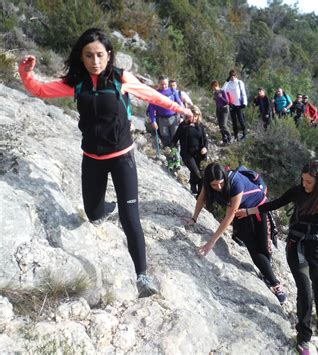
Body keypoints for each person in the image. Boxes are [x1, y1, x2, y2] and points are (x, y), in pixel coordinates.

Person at [18, 28, 193, 298]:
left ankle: (142, 275)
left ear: (109, 55)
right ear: (82, 56)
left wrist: (181, 109)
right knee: (93, 213)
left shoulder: (120, 79)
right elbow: (40, 90)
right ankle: (106, 208)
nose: (95, 61)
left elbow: (152, 96)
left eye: (100, 55)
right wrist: (25, 73)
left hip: (123, 158)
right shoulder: (76, 83)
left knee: (130, 217)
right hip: (92, 159)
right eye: (89, 56)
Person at [236, 160, 318, 354]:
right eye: (303, 180)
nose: (305, 185)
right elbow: (275, 204)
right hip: (296, 246)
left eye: (309, 182)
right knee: (305, 291)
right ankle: (303, 337)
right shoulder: (298, 191)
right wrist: (248, 211)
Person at [190, 163, 287, 304]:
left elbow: (229, 215)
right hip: (241, 215)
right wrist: (194, 218)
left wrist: (211, 243)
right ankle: (275, 284)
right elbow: (201, 199)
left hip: (259, 209)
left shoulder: (235, 182)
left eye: (220, 183)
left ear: (224, 177)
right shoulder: (208, 182)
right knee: (254, 250)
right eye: (214, 185)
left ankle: (266, 272)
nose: (218, 187)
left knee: (265, 248)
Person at [171, 105, 208, 195]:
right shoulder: (183, 126)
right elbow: (175, 139)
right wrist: (171, 149)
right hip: (187, 154)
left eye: (196, 116)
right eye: (193, 115)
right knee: (196, 172)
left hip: (199, 154)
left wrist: (205, 148)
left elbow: (205, 139)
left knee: (201, 173)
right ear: (188, 115)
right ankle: (193, 186)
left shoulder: (200, 125)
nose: (194, 118)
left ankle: (198, 193)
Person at [147, 76, 183, 147]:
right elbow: (151, 109)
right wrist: (153, 121)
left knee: (175, 135)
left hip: (174, 117)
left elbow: (179, 103)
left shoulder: (172, 91)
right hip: (161, 118)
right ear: (158, 84)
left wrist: (181, 116)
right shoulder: (155, 94)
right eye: (161, 84)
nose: (164, 86)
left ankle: (177, 152)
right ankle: (168, 152)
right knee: (164, 136)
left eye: (165, 84)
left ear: (168, 83)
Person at [222, 69, 247, 141]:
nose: (232, 77)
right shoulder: (228, 83)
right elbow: (223, 90)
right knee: (234, 121)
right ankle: (236, 135)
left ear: (236, 75)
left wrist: (244, 103)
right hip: (231, 105)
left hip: (239, 105)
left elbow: (243, 93)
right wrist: (226, 81)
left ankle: (244, 134)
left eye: (234, 75)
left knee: (241, 120)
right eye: (231, 75)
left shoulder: (239, 82)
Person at [210, 80, 232, 144]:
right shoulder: (215, 93)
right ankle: (224, 139)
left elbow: (227, 102)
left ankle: (229, 137)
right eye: (212, 88)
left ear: (216, 85)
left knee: (224, 125)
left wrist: (221, 97)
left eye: (214, 87)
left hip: (224, 109)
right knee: (220, 125)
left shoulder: (222, 91)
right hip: (218, 109)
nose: (213, 89)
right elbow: (217, 102)